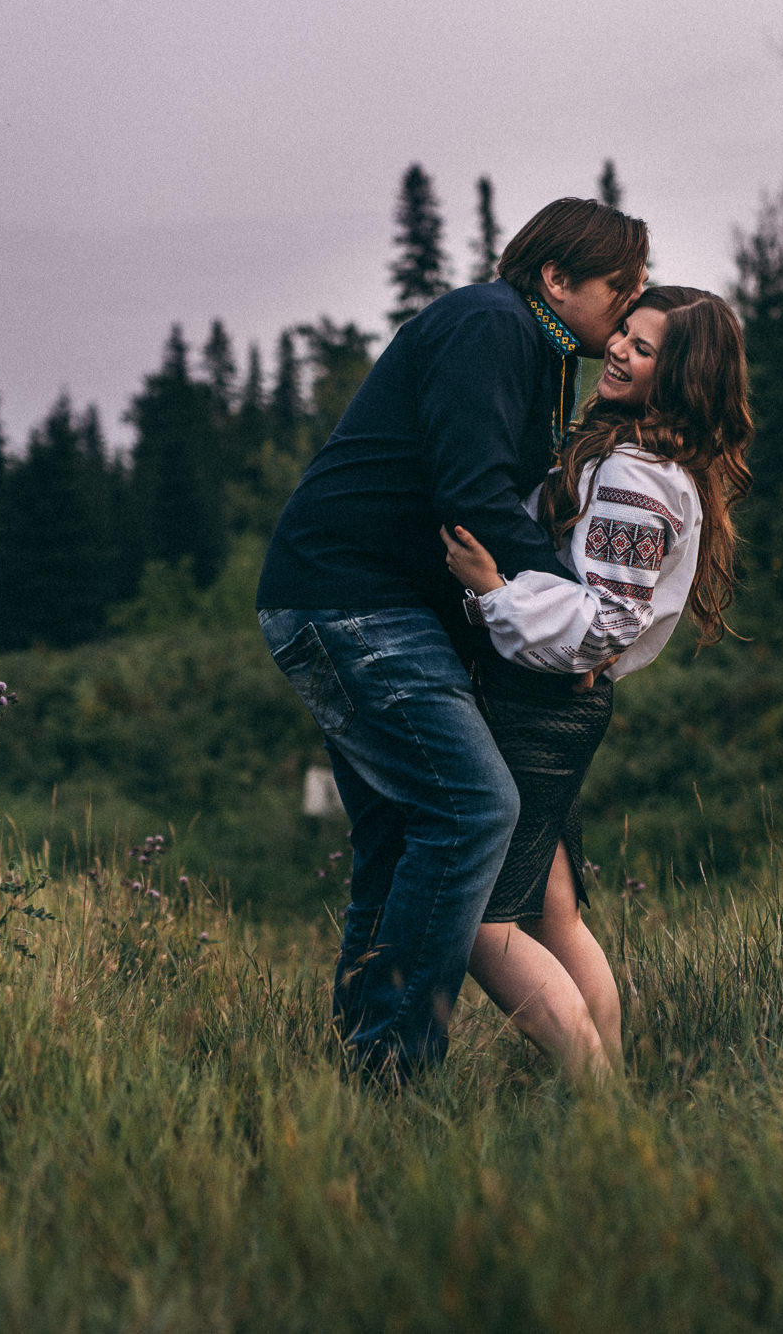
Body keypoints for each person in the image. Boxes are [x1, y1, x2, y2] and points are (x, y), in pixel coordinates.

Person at [257, 197, 649, 1084]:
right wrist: (578, 621)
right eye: (620, 287)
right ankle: (395, 1068)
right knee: (474, 808)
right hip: (350, 602)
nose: (631, 309)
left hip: (357, 604)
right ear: (558, 278)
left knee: (400, 835)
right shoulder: (490, 324)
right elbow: (470, 497)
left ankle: (367, 1074)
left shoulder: (535, 348)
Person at [441, 286, 755, 1080]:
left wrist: (492, 591)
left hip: (539, 703)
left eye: (643, 349)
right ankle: (610, 1091)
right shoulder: (642, 460)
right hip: (551, 702)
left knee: (478, 916)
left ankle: (597, 1094)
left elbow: (605, 626)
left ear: (678, 378)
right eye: (624, 331)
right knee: (552, 911)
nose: (616, 347)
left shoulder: (636, 478)